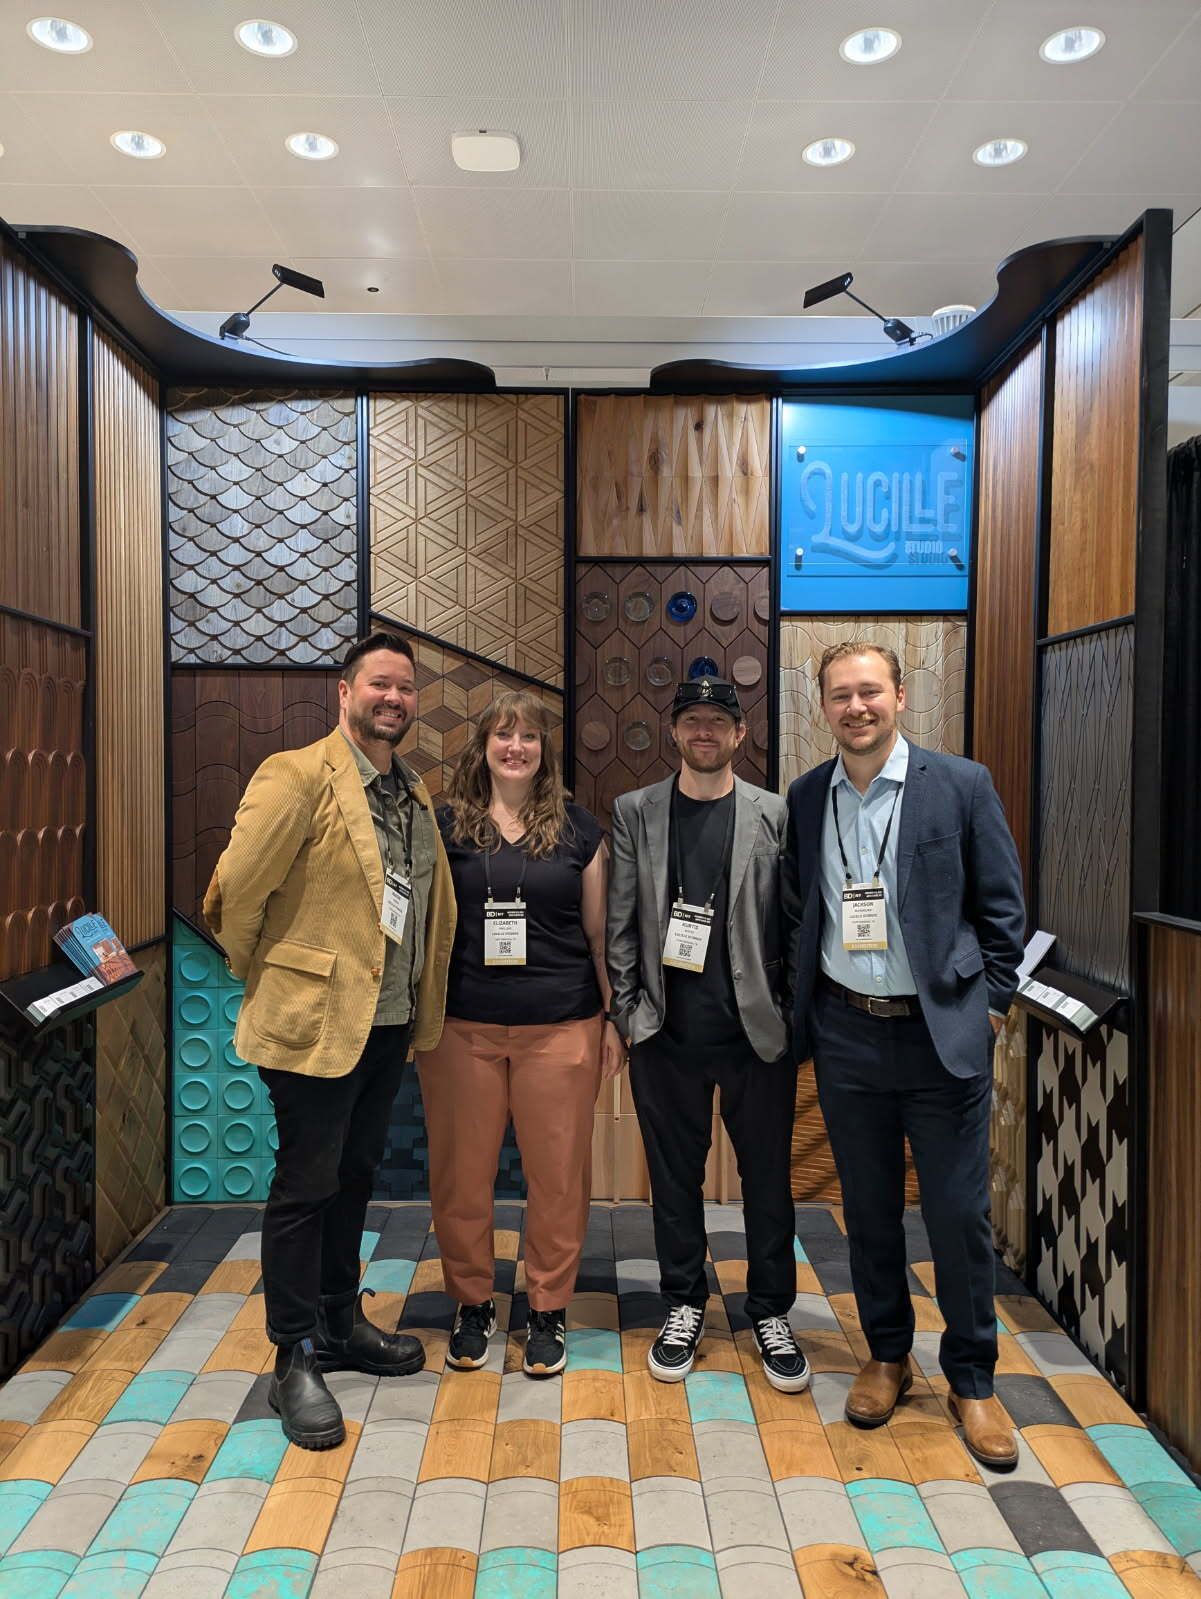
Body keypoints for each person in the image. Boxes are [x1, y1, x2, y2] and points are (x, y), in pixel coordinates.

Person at [204, 630, 456, 1449]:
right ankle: (292, 1355)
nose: (394, 698)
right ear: (342, 692)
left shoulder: (411, 790)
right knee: (304, 1184)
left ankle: (343, 1321)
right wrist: (271, 972)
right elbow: (235, 889)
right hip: (313, 1025)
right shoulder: (296, 775)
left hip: (385, 1022)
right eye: (379, 684)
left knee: (355, 1176)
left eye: (406, 688)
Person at [783, 640, 1025, 1469]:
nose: (856, 707)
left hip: (939, 1032)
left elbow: (1002, 908)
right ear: (822, 708)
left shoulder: (959, 785)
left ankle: (972, 1378)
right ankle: (885, 1355)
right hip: (846, 1031)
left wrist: (989, 1006)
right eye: (840, 696)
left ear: (898, 696)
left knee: (957, 1215)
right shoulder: (807, 795)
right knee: (869, 1208)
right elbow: (799, 908)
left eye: (869, 692)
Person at [607, 676, 809, 1392]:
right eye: (691, 720)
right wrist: (628, 1015)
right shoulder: (635, 811)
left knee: (767, 1183)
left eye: (716, 721)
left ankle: (769, 1310)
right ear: (674, 730)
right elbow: (621, 917)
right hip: (665, 1033)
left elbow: (792, 922)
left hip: (755, 1035)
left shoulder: (773, 813)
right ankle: (684, 1301)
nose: (703, 732)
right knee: (673, 1182)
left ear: (738, 733)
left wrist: (789, 1015)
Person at [416, 690, 625, 1378]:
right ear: (480, 747)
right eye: (502, 735)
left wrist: (613, 1020)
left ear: (544, 751)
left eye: (528, 736)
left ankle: (546, 1309)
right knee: (461, 1174)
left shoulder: (579, 830)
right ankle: (472, 1303)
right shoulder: (444, 826)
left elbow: (598, 938)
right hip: (460, 1028)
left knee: (557, 1177)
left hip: (562, 1027)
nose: (515, 747)